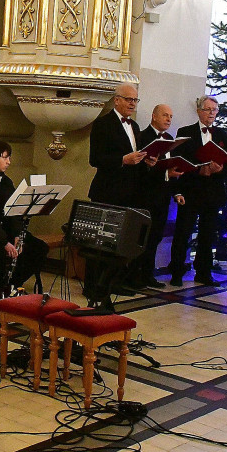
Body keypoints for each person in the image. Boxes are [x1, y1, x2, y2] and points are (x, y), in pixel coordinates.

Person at [85, 83, 155, 299]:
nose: (132, 104)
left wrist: (147, 162)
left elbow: (137, 158)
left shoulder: (134, 126)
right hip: (107, 190)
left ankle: (113, 282)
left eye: (135, 100)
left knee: (120, 242)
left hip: (129, 192)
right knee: (100, 241)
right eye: (128, 99)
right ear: (117, 100)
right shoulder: (102, 124)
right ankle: (92, 286)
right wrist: (122, 160)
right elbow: (95, 159)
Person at [0, 140, 49, 297]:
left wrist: (16, 235)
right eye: (5, 157)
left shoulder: (6, 181)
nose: (9, 162)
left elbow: (14, 211)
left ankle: (12, 283)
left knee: (38, 247)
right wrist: (4, 242)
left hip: (3, 229)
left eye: (9, 158)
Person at [169, 96, 227, 287]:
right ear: (199, 111)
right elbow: (178, 161)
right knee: (183, 232)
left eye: (215, 110)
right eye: (208, 109)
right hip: (191, 189)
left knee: (208, 234)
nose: (212, 113)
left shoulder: (224, 136)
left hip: (213, 192)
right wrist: (199, 169)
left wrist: (220, 170)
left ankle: (203, 272)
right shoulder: (185, 132)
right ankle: (177, 272)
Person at [135, 104, 180, 289]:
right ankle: (136, 275)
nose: (169, 119)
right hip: (146, 195)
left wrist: (176, 190)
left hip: (163, 197)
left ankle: (148, 274)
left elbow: (170, 167)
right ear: (154, 116)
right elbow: (138, 170)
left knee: (156, 237)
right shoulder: (142, 137)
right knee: (142, 238)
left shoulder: (170, 139)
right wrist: (155, 169)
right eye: (165, 115)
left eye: (171, 116)